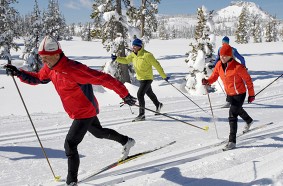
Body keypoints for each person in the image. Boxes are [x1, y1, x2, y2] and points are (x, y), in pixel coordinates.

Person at [5, 35, 137, 186]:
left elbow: (104, 79)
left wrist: (124, 94)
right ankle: (127, 141)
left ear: (56, 54)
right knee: (99, 133)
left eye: (46, 57)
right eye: (42, 58)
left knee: (70, 144)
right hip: (80, 110)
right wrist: (18, 72)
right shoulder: (50, 68)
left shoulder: (74, 69)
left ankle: (71, 181)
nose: (43, 61)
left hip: (85, 111)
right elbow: (38, 79)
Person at [202, 43, 255, 151]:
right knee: (237, 109)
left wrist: (251, 94)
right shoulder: (218, 65)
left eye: (225, 55)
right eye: (221, 55)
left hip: (240, 93)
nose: (222, 57)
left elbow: (248, 80)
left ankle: (232, 141)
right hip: (230, 93)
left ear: (230, 55)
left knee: (232, 114)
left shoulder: (238, 67)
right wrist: (207, 81)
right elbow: (214, 76)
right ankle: (249, 120)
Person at [111, 38, 169, 121]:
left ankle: (142, 115)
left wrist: (164, 76)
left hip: (147, 78)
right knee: (149, 93)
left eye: (135, 46)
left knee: (140, 94)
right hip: (140, 78)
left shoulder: (147, 55)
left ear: (140, 46)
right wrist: (117, 58)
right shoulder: (133, 55)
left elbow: (157, 65)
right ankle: (158, 104)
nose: (133, 47)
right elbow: (126, 60)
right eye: (133, 45)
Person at [210, 36, 247, 108]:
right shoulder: (232, 49)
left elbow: (218, 59)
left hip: (231, 69)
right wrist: (243, 66)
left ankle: (232, 101)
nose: (224, 43)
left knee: (231, 85)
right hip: (229, 68)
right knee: (230, 85)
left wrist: (214, 66)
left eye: (224, 42)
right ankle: (232, 100)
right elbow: (242, 59)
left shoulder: (222, 49)